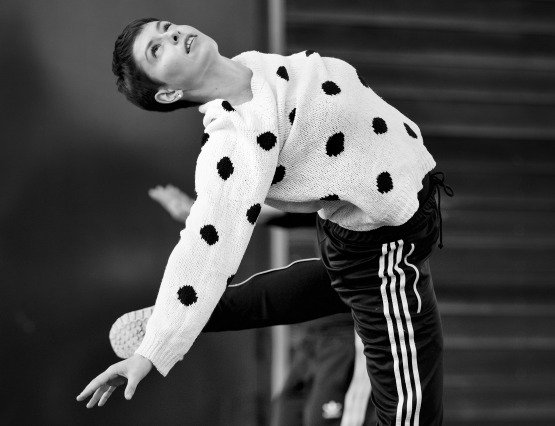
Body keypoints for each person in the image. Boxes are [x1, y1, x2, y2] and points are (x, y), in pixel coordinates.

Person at [76, 17, 453, 425]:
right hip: (382, 250)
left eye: (166, 27)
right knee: (411, 414)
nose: (172, 34)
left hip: (372, 233)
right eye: (156, 49)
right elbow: (204, 250)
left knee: (338, 281)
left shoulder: (253, 66)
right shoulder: (235, 138)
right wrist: (152, 353)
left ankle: (173, 320)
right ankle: (167, 324)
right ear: (168, 93)